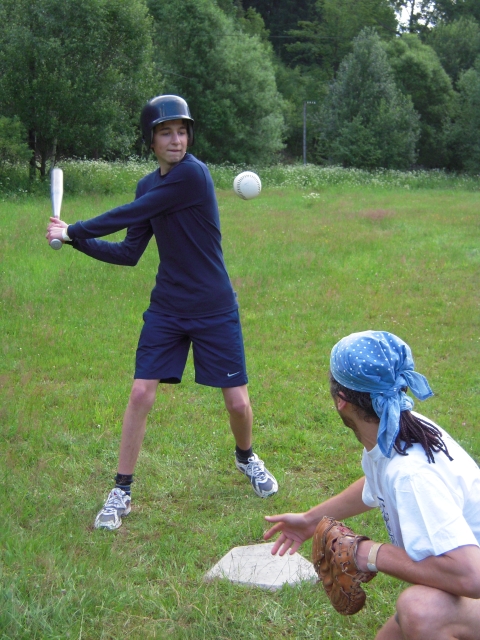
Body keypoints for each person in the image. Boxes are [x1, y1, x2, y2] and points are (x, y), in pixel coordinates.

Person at [46, 94, 278, 531]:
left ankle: (246, 456)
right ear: (150, 141)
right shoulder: (147, 186)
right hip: (168, 307)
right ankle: (122, 489)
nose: (176, 140)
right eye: (166, 133)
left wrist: (72, 229)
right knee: (140, 393)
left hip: (213, 307)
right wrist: (75, 242)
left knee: (237, 402)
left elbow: (131, 213)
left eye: (182, 131)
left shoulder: (193, 175)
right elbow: (129, 252)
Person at [264, 330, 480, 640]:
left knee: (420, 610)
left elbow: (471, 576)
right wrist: (311, 520)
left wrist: (369, 553)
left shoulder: (410, 475)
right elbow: (378, 481)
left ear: (341, 401)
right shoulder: (400, 428)